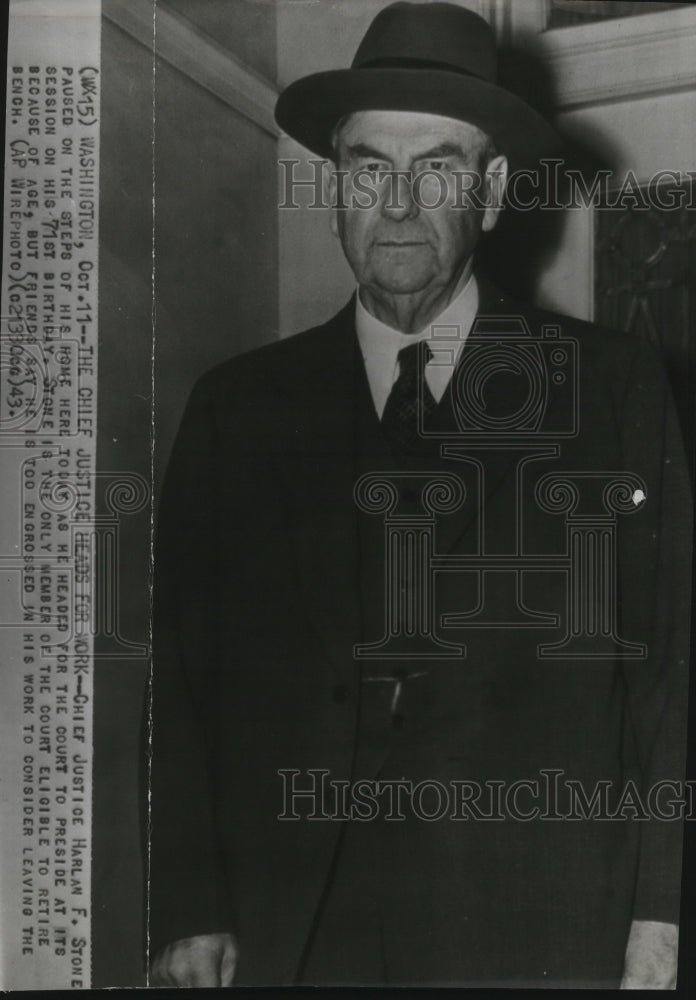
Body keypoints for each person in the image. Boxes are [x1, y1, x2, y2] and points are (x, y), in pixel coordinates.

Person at [148, 2, 691, 989]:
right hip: (294, 930)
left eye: (435, 168)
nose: (397, 204)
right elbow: (185, 679)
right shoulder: (238, 409)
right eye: (368, 168)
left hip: (540, 918)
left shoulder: (609, 388)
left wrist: (662, 914)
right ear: (334, 187)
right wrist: (191, 908)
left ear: (489, 193)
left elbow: (671, 672)